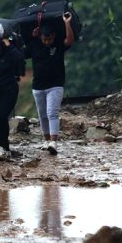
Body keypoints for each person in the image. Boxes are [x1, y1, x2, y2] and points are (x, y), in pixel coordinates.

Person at [24, 13, 75, 155]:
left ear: (54, 36)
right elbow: (22, 52)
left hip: (55, 84)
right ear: (40, 36)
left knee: (52, 112)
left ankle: (53, 141)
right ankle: (46, 141)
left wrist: (67, 23)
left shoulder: (58, 44)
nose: (47, 42)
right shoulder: (34, 44)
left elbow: (69, 41)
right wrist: (30, 36)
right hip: (38, 86)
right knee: (42, 115)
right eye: (45, 39)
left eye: (50, 39)